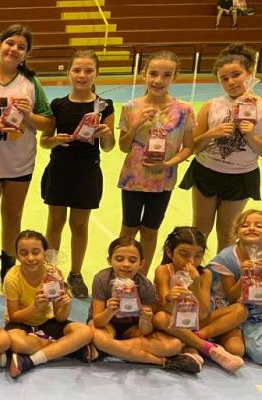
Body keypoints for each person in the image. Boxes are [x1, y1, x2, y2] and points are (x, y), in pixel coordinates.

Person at [0, 24, 54, 288]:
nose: (14, 49)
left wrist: (28, 116)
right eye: (10, 43)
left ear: (26, 54)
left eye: (21, 47)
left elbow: (48, 124)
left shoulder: (30, 83)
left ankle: (8, 266)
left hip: (19, 162)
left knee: (13, 217)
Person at [40, 49, 115, 297]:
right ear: (69, 71)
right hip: (60, 170)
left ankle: (75, 273)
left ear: (97, 74)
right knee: (55, 223)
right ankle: (50, 271)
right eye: (76, 70)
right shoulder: (58, 105)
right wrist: (54, 140)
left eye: (88, 71)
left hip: (88, 172)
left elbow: (109, 146)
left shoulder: (104, 106)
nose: (82, 75)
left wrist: (106, 134)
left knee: (79, 226)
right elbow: (44, 141)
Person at [117, 51, 195, 276]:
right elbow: (123, 146)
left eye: (166, 75)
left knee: (150, 231)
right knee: (128, 230)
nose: (158, 80)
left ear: (175, 77)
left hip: (163, 180)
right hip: (133, 178)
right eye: (153, 73)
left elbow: (189, 146)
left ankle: (140, 277)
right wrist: (136, 125)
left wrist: (169, 163)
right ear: (143, 75)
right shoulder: (131, 107)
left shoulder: (184, 110)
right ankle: (122, 274)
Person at [180, 43, 262, 251]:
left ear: (249, 72)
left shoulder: (260, 107)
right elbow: (193, 147)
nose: (230, 82)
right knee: (199, 231)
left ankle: (219, 279)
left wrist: (251, 136)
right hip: (207, 171)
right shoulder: (211, 106)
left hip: (240, 176)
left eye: (236, 75)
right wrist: (211, 134)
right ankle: (195, 277)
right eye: (224, 79)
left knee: (227, 235)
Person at [90, 236, 201, 372]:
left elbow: (145, 331)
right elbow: (98, 321)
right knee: (97, 336)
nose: (126, 264)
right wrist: (109, 311)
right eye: (119, 259)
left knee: (174, 345)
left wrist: (145, 319)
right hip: (106, 326)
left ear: (141, 264)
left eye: (132, 260)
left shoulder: (145, 285)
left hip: (132, 329)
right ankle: (162, 361)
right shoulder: (101, 279)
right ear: (109, 260)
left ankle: (110, 349)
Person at [152, 227, 246, 373]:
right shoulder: (163, 270)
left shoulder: (205, 274)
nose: (191, 261)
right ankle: (208, 348)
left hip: (198, 323)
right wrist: (171, 297)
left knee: (241, 310)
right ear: (170, 252)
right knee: (160, 318)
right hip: (174, 321)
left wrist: (195, 284)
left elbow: (203, 313)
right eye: (184, 255)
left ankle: (194, 340)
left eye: (198, 256)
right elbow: (165, 307)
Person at [4, 230, 95, 378]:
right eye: (24, 253)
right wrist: (35, 307)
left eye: (36, 252)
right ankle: (68, 349)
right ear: (17, 255)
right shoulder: (12, 278)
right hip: (21, 324)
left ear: (44, 254)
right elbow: (14, 317)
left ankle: (31, 360)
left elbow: (60, 318)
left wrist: (66, 305)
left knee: (86, 332)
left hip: (47, 322)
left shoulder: (54, 274)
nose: (30, 258)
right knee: (16, 342)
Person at [207, 209, 262, 363]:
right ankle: (211, 336)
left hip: (255, 306)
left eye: (259, 225)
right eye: (245, 225)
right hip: (228, 307)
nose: (251, 228)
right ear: (237, 231)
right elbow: (231, 296)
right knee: (236, 350)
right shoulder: (227, 258)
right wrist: (245, 275)